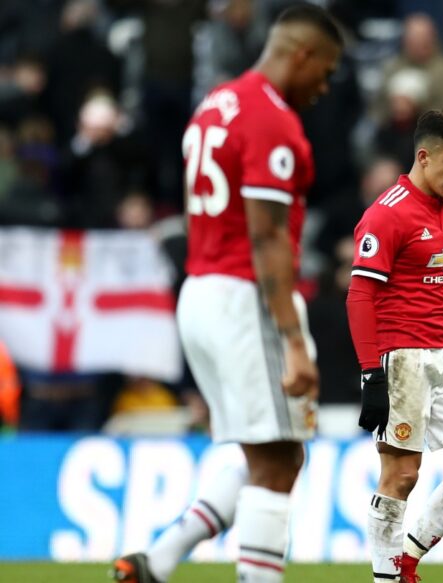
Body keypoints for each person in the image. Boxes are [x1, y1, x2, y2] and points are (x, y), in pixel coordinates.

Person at [111, 5, 342, 583]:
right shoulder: (270, 118)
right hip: (246, 298)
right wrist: (291, 338)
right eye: (327, 69)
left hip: (202, 289)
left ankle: (159, 560)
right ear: (302, 54)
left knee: (275, 452)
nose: (326, 85)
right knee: (274, 460)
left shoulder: (214, 104)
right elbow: (266, 235)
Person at [346, 110, 443, 583]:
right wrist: (371, 373)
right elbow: (360, 294)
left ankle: (408, 556)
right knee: (402, 477)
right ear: (423, 156)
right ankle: (386, 577)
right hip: (403, 357)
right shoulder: (386, 214)